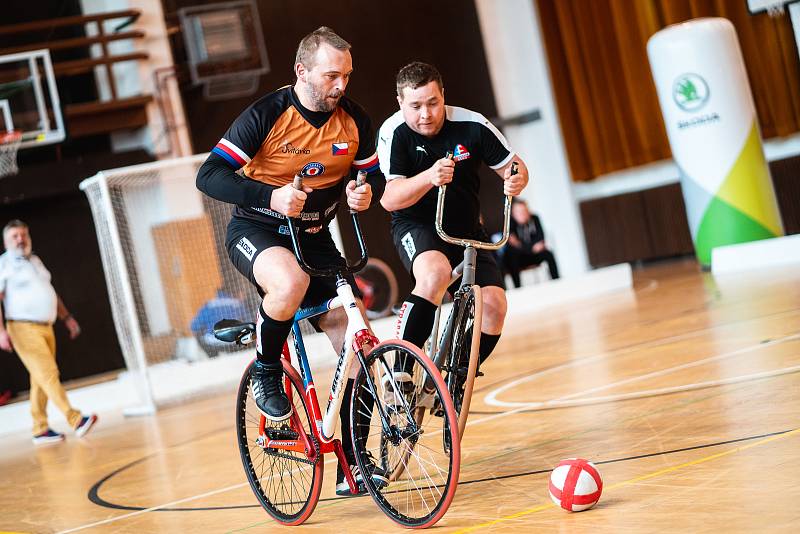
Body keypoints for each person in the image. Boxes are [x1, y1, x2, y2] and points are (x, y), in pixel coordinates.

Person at [196, 26, 386, 495]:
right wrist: (270, 195)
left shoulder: (355, 121)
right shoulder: (267, 114)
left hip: (316, 234)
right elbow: (210, 176)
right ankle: (265, 371)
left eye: (346, 75)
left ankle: (354, 463)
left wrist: (366, 193)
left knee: (355, 343)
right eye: (330, 76)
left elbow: (373, 177)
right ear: (301, 71)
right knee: (289, 283)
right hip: (257, 228)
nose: (340, 85)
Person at [378, 61, 529, 383]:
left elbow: (514, 166)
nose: (426, 114)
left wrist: (517, 179)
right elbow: (390, 199)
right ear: (400, 103)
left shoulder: (473, 125)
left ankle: (456, 376)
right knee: (435, 274)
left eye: (433, 103)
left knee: (495, 306)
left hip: (467, 230)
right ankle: (401, 369)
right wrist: (429, 178)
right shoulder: (394, 132)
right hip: (416, 224)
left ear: (443, 95)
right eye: (415, 106)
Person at [0, 220, 97, 444]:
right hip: (22, 327)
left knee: (40, 377)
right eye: (14, 236)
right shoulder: (4, 264)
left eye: (23, 234)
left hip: (46, 326)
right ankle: (75, 419)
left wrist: (67, 318)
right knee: (49, 373)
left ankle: (40, 429)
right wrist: (1, 332)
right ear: (6, 241)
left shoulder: (35, 260)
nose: (20, 239)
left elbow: (49, 292)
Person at [500, 198, 560, 287]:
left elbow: (541, 236)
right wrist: (531, 247)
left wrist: (526, 246)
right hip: (519, 257)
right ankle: (518, 287)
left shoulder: (535, 218)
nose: (522, 214)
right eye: (519, 212)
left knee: (548, 254)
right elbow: (513, 244)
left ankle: (557, 281)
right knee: (510, 256)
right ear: (513, 214)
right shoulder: (509, 223)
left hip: (534, 254)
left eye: (524, 211)